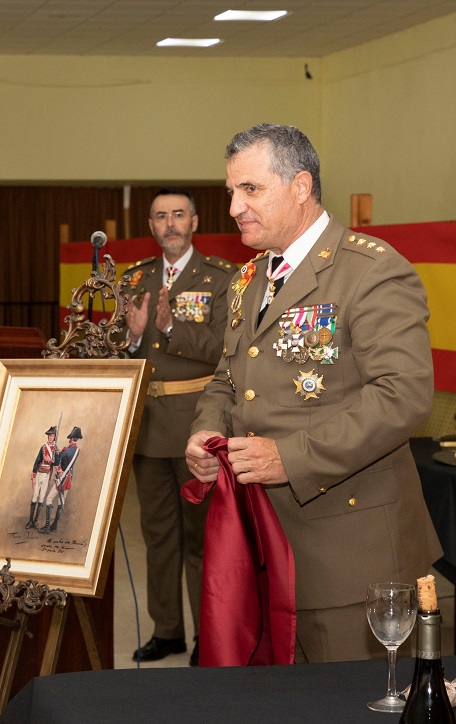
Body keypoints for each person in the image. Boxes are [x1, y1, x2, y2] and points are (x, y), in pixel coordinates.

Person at [185, 123, 442, 664]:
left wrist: (291, 456)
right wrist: (206, 429)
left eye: (250, 190)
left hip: (350, 557)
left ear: (300, 186)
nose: (233, 207)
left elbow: (404, 394)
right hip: (261, 541)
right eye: (231, 191)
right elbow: (228, 376)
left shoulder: (370, 271)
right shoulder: (248, 278)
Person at [125, 188, 233, 667]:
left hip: (196, 427)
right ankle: (167, 630)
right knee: (158, 535)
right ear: (151, 226)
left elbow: (222, 348)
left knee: (200, 539)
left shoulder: (220, 278)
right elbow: (121, 352)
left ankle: (205, 637)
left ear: (194, 222)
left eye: (178, 215)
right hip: (147, 427)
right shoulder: (136, 279)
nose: (170, 224)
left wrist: (170, 329)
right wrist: (132, 336)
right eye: (161, 217)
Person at [46, 426, 82, 533]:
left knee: (49, 499)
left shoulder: (66, 450)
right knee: (61, 502)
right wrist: (60, 452)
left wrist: (57, 454)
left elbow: (57, 462)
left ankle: (48, 526)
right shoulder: (77, 451)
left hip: (61, 478)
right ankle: (55, 525)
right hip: (69, 478)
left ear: (71, 438)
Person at [27, 426, 60, 530]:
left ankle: (36, 521)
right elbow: (37, 461)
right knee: (34, 497)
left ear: (54, 437)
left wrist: (56, 457)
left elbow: (57, 463)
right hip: (39, 473)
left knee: (41, 498)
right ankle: (30, 520)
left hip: (47, 476)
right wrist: (33, 476)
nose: (51, 438)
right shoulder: (43, 447)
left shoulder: (56, 449)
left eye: (52, 436)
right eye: (50, 436)